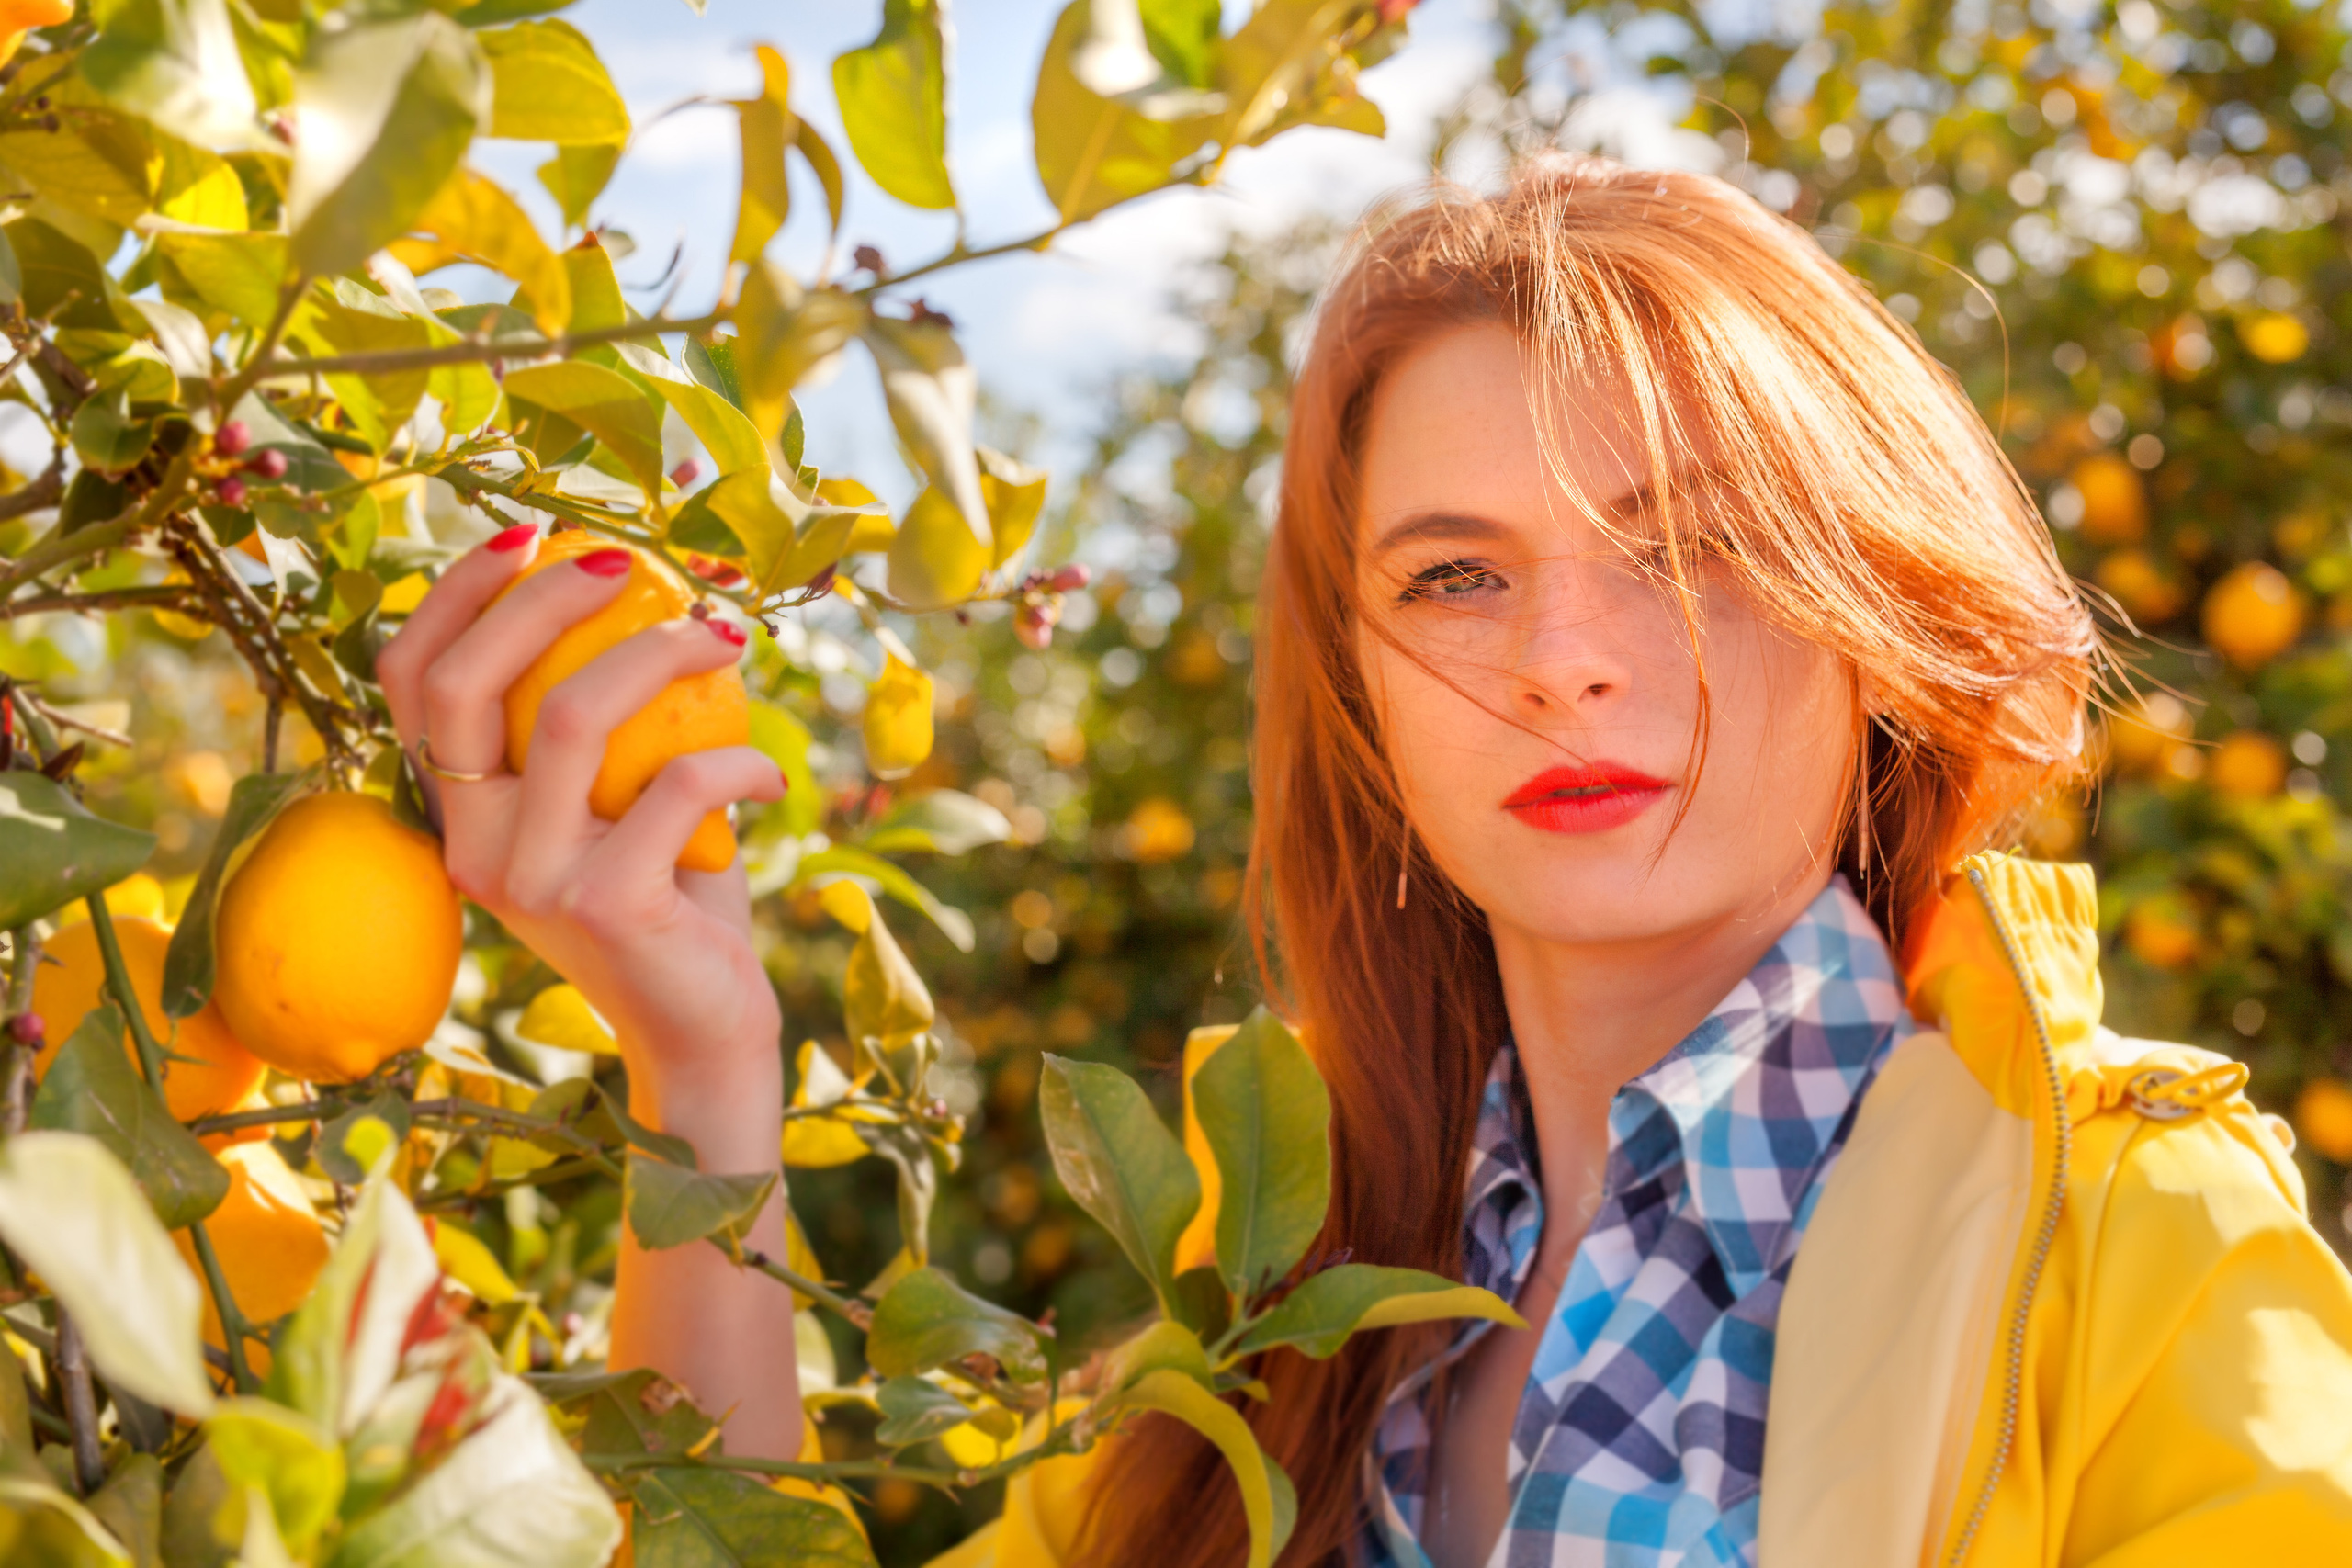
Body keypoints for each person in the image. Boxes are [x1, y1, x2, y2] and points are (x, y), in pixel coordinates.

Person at [377, 155, 2352, 1568]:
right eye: (1455, 573)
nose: (1562, 653)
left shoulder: (2129, 1234)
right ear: (1365, 694)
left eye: (1691, 544)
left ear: (1873, 611)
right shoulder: (1280, 1317)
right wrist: (702, 1066)